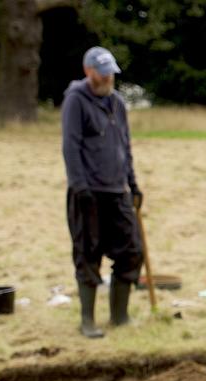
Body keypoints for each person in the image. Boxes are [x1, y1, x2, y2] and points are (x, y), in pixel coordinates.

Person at [61, 46, 143, 338]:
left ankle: (119, 316)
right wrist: (79, 185)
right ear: (89, 71)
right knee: (88, 253)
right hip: (87, 191)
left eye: (111, 73)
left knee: (132, 251)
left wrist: (133, 184)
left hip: (116, 190)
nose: (108, 78)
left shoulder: (118, 103)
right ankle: (87, 321)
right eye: (103, 73)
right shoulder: (75, 101)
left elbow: (125, 147)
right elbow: (71, 146)